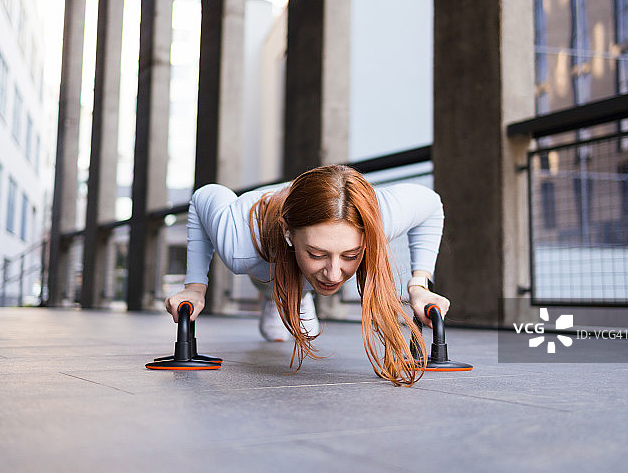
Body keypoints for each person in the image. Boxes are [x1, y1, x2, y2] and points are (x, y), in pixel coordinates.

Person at [164, 164, 449, 386]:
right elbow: (204, 196)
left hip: (293, 263)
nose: (335, 274)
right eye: (317, 253)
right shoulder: (239, 243)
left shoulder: (381, 217)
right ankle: (279, 295)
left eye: (351, 255)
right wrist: (195, 286)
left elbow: (431, 205)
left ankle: (298, 288)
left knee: (308, 324)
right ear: (289, 234)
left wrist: (419, 284)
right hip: (266, 254)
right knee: (272, 285)